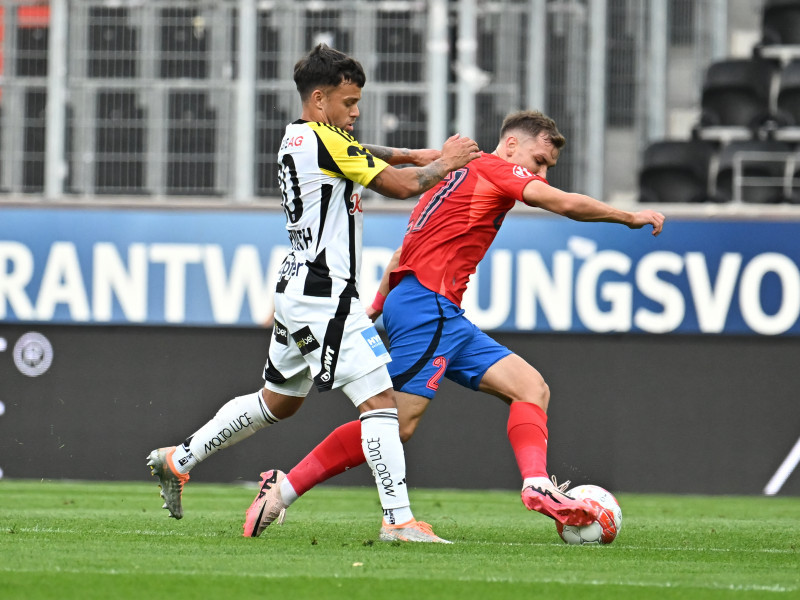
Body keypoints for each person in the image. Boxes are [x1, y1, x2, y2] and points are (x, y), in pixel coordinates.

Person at [243, 109, 666, 539]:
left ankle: (537, 485)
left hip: (437, 309)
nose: (541, 173)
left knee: (530, 387)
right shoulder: (496, 168)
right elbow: (559, 202)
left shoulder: (450, 174)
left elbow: (402, 253)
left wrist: (373, 308)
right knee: (393, 422)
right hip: (429, 306)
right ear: (513, 144)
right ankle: (284, 489)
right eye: (539, 161)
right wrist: (627, 217)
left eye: (547, 168)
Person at [147, 43, 481, 544]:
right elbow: (401, 186)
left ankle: (180, 458)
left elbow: (369, 155)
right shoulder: (325, 142)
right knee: (381, 401)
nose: (356, 111)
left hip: (298, 287)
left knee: (278, 402)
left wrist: (415, 153)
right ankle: (399, 521)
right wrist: (443, 163)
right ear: (320, 100)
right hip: (326, 297)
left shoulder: (300, 138)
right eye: (349, 103)